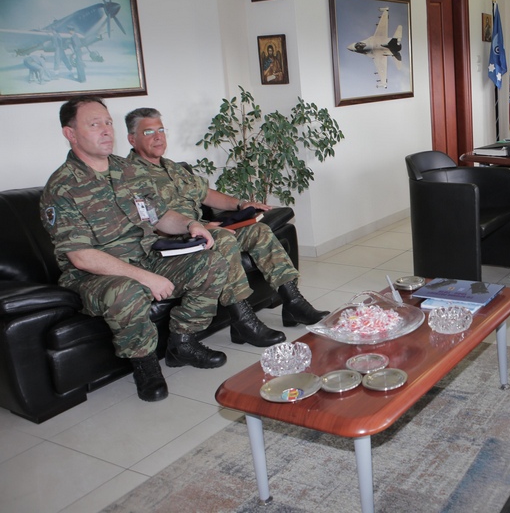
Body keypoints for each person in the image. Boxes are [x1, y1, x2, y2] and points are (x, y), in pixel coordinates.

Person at [41, 97, 231, 403]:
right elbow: (81, 256)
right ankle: (145, 366)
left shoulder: (128, 170)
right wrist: (145, 277)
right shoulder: (62, 187)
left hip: (146, 257)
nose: (106, 130)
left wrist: (191, 224)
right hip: (94, 276)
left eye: (108, 123)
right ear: (70, 133)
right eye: (94, 124)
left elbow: (159, 217)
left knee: (211, 262)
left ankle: (183, 342)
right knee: (125, 291)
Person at [125, 108, 330, 334]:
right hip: (174, 241)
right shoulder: (129, 175)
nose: (158, 137)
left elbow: (206, 194)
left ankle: (294, 303)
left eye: (161, 130)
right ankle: (243, 321)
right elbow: (148, 221)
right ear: (132, 139)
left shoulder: (171, 167)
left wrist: (241, 204)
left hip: (201, 230)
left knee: (259, 230)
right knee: (222, 238)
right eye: (149, 132)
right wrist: (199, 227)